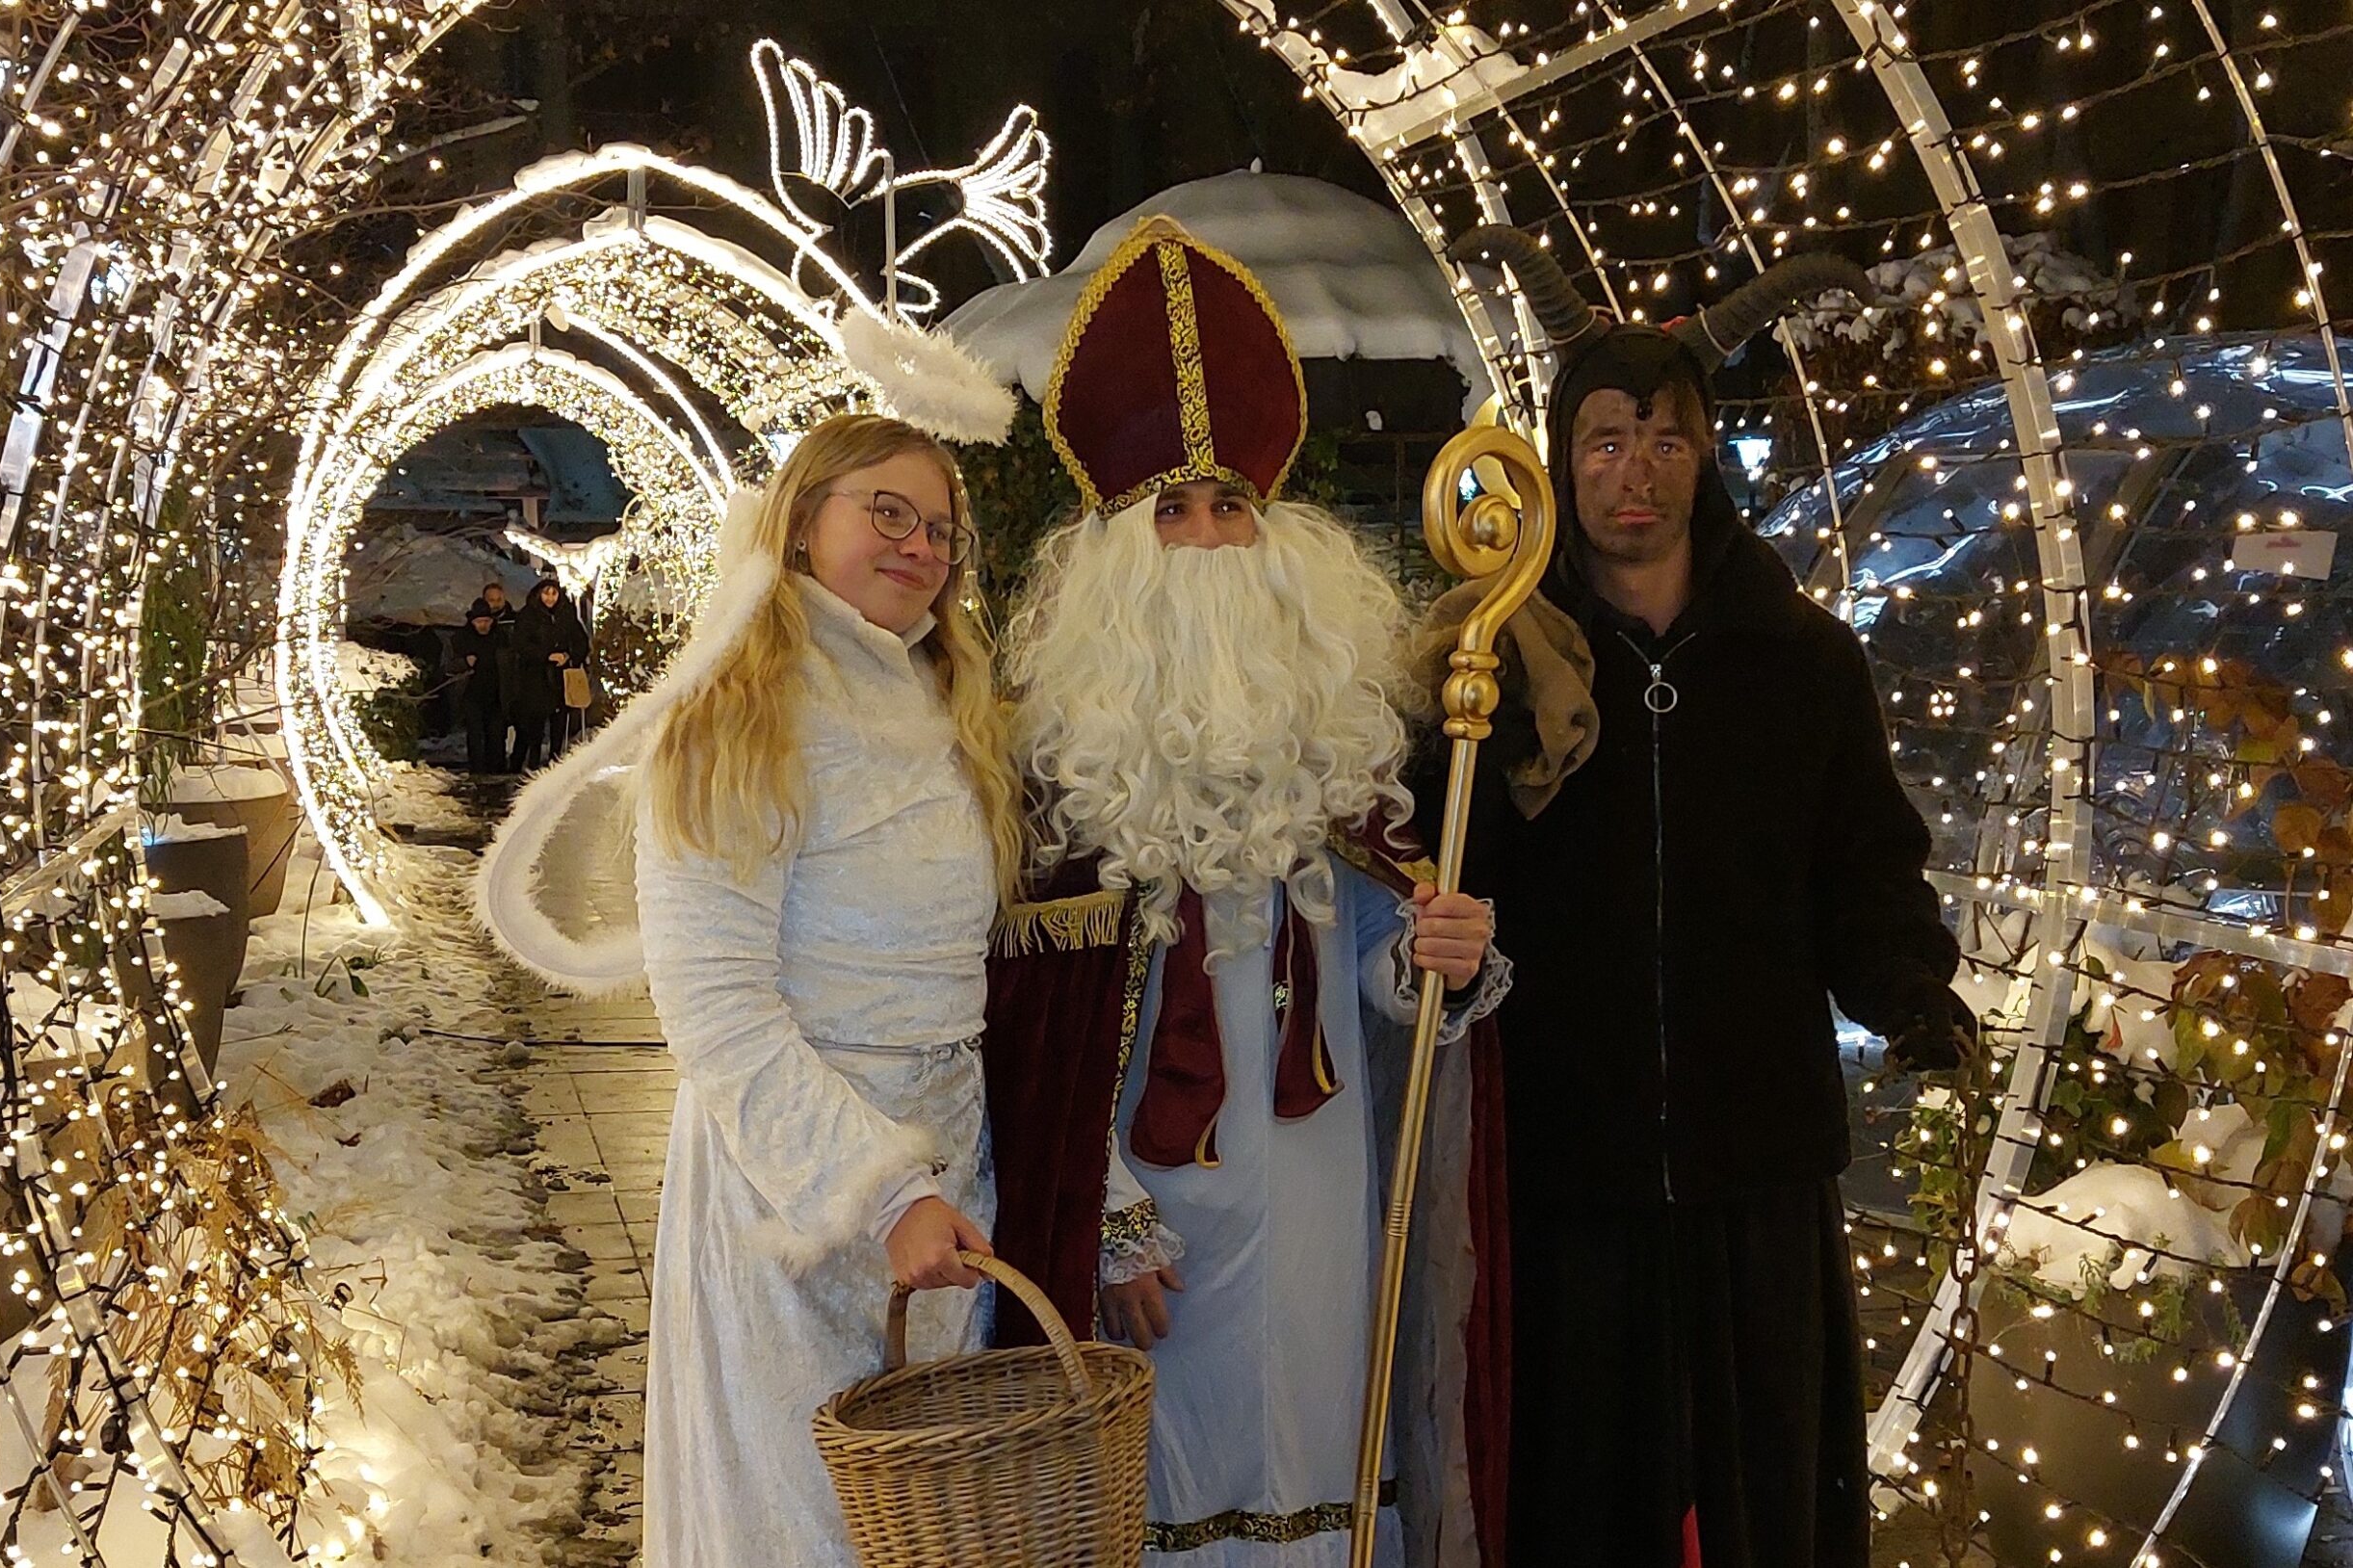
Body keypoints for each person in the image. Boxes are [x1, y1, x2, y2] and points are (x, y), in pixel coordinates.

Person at [1438, 228, 1979, 1568]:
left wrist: (1910, 988)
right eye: (1606, 441)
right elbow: (1451, 879)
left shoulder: (1802, 661)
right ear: (1562, 458)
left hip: (1756, 1158)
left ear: (1704, 458)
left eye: (1666, 439)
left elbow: (1865, 866)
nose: (1636, 472)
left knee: (1760, 1495)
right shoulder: (1501, 663)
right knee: (1579, 1494)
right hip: (1570, 1161)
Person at [981, 217, 1513, 1567]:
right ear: (1113, 546)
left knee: (1322, 1460)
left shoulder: (1336, 744)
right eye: (1173, 509)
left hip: (1323, 1193)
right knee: (1150, 1478)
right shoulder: (1049, 776)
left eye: (1231, 506)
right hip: (1145, 1208)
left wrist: (1438, 955)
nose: (1209, 538)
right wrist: (1100, 1211)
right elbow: (1023, 1043)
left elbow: (1390, 975)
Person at [477, 412, 1025, 1568]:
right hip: (793, 1196)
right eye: (887, 511)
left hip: (945, 1180)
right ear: (803, 518)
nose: (919, 545)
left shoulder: (947, 706)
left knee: (919, 1529)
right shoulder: (732, 711)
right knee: (800, 1525)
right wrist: (882, 1192)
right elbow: (714, 1004)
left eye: (940, 529)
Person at [508, 576, 588, 770]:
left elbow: (581, 641)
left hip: (560, 677)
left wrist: (569, 656)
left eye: (554, 593)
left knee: (559, 722)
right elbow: (520, 644)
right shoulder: (528, 615)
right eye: (546, 593)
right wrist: (546, 655)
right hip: (535, 677)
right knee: (534, 724)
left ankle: (556, 761)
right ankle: (532, 763)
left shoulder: (566, 614)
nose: (550, 598)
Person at [458, 606, 509, 772]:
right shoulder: (463, 639)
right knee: (475, 734)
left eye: (486, 621)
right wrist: (465, 662)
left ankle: (496, 768)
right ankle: (477, 769)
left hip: (496, 694)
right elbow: (450, 667)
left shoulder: (500, 638)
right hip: (472, 695)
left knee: (496, 734)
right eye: (479, 622)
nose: (483, 625)